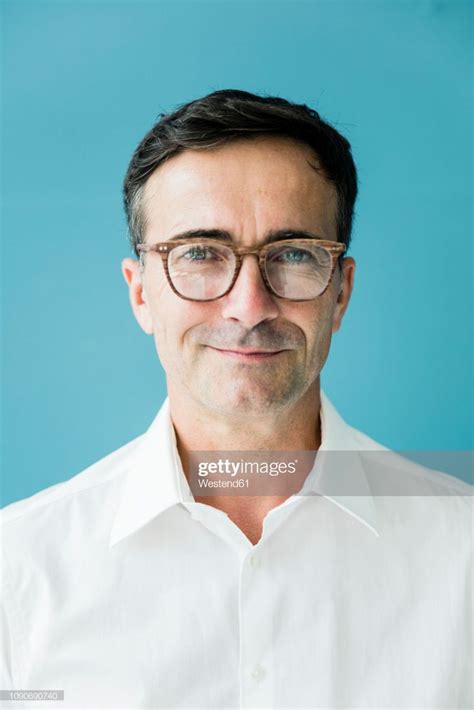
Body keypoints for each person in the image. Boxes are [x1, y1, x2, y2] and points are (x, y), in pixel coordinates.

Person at [1, 89, 471, 709]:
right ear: (140, 292)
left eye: (295, 254)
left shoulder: (463, 552)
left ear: (342, 293)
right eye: (199, 253)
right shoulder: (18, 571)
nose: (249, 306)